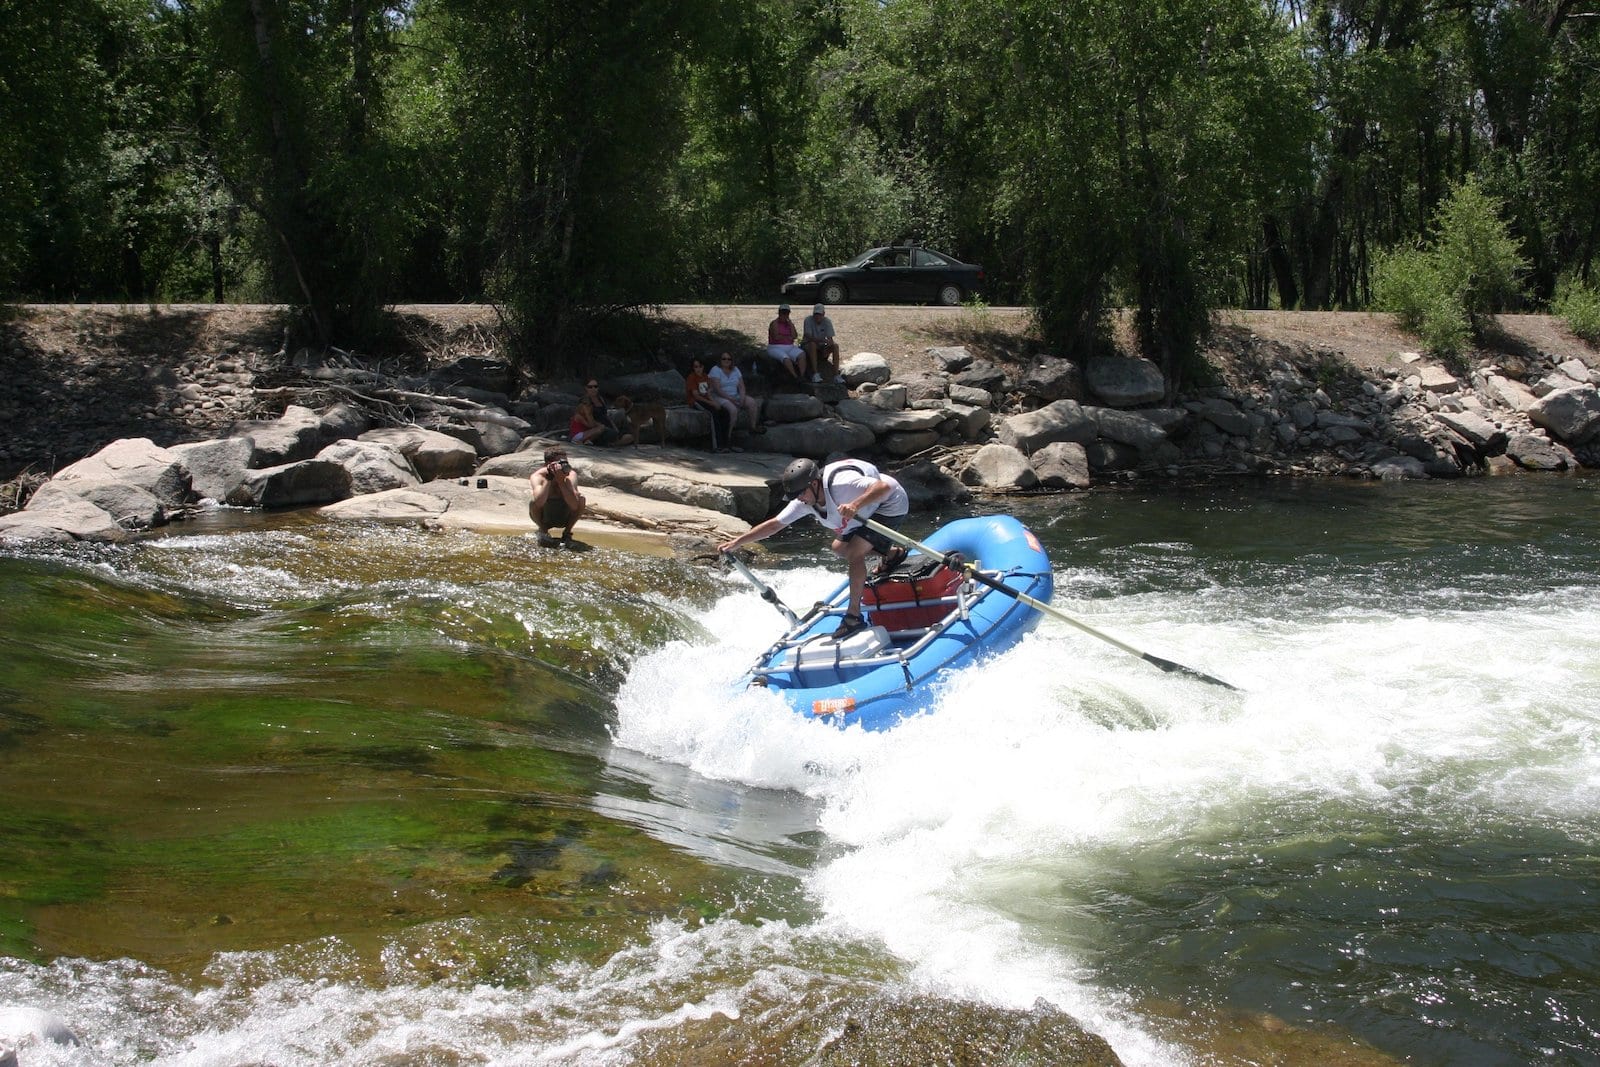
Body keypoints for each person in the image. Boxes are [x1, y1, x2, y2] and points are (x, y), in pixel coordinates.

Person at [719, 456, 910, 639]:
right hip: (863, 513)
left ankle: (854, 617)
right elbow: (775, 524)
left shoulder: (842, 484)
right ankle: (893, 555)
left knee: (854, 552)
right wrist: (738, 542)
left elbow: (884, 487)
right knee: (838, 549)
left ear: (815, 484)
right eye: (795, 496)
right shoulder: (804, 501)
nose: (800, 499)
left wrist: (855, 504)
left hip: (888, 503)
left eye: (801, 493)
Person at [528, 444, 585, 546]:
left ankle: (567, 532)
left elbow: (574, 505)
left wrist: (561, 482)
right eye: (560, 462)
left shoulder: (570, 475)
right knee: (533, 502)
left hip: (564, 514)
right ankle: (543, 530)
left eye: (565, 462)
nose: (563, 465)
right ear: (548, 464)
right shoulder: (538, 476)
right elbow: (539, 503)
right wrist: (549, 479)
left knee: (581, 499)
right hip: (545, 515)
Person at [707, 352, 763, 447]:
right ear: (720, 360)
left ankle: (753, 427)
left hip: (734, 395)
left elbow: (741, 386)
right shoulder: (715, 370)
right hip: (719, 396)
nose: (726, 361)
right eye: (724, 359)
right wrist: (731, 400)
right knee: (733, 410)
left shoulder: (735, 369)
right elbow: (717, 389)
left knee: (752, 403)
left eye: (729, 359)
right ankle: (728, 437)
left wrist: (741, 398)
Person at [685, 356, 733, 452]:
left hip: (706, 399)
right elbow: (696, 395)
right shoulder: (691, 378)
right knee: (713, 413)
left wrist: (714, 402)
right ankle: (717, 445)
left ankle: (725, 442)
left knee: (725, 412)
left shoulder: (705, 377)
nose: (698, 369)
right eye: (696, 367)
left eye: (700, 366)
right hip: (696, 401)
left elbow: (708, 393)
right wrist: (711, 403)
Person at [570, 379, 633, 446]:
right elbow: (590, 422)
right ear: (586, 388)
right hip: (597, 426)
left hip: (605, 422)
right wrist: (600, 425)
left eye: (595, 386)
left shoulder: (600, 398)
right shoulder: (585, 402)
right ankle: (609, 441)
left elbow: (606, 415)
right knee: (609, 431)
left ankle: (614, 443)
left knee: (629, 435)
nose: (593, 389)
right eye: (590, 387)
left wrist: (614, 427)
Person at [802, 303, 843, 384]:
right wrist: (822, 341)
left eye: (819, 314)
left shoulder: (827, 321)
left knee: (835, 346)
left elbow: (830, 339)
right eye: (816, 314)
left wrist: (829, 345)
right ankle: (815, 373)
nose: (817, 316)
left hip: (821, 347)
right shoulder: (808, 320)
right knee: (813, 344)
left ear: (823, 314)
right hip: (808, 346)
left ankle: (836, 375)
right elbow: (808, 336)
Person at [765, 303, 807, 381]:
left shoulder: (789, 324)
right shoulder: (774, 323)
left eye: (786, 313)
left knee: (802, 354)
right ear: (779, 313)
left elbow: (795, 336)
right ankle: (795, 377)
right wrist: (788, 337)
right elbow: (776, 337)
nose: (784, 315)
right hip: (775, 347)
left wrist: (791, 325)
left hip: (789, 346)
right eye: (783, 313)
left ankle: (802, 375)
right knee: (785, 358)